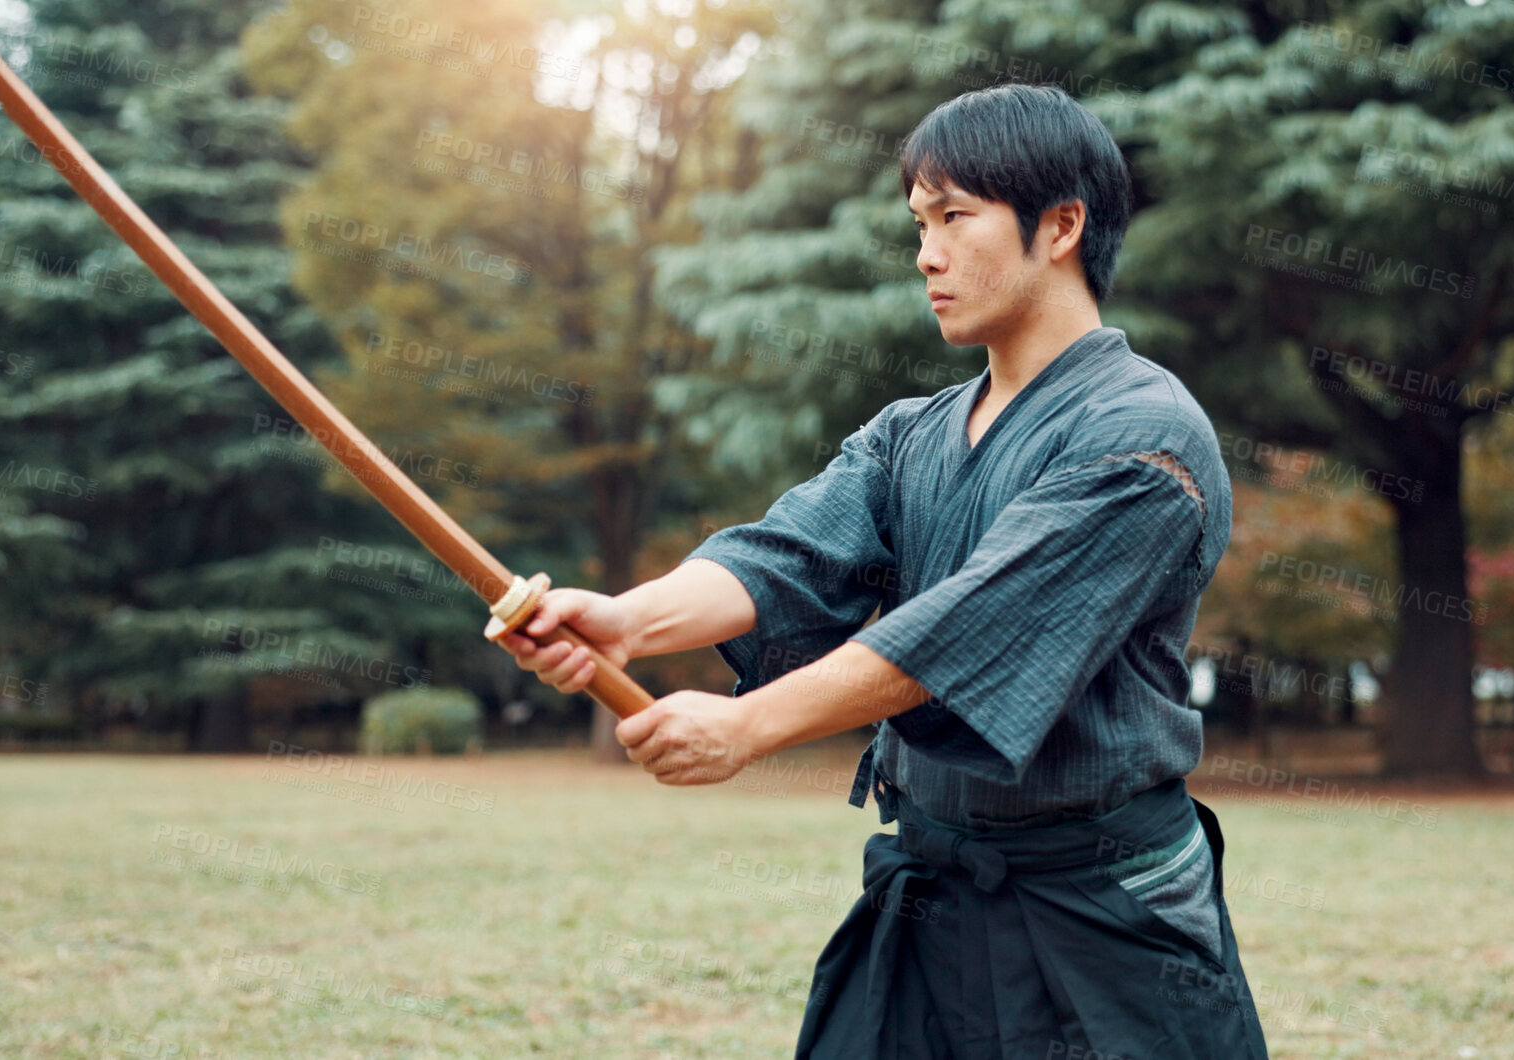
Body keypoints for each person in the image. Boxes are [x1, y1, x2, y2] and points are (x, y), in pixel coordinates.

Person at [495, 82, 1269, 1059]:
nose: (926, 255)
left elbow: (964, 630)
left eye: (954, 217)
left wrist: (746, 726)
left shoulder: (1142, 441)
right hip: (933, 898)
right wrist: (624, 620)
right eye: (918, 223)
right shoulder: (911, 434)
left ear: (1061, 224)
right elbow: (784, 555)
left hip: (1104, 912)